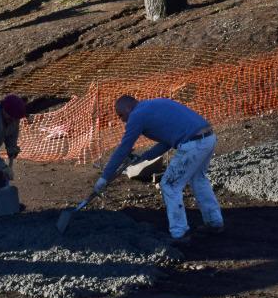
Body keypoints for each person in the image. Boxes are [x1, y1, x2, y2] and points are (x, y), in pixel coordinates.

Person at [93, 96, 223, 244]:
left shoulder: (137, 115)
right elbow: (167, 142)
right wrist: (144, 157)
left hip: (193, 144)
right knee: (198, 179)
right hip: (208, 137)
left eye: (121, 115)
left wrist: (104, 177)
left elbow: (123, 149)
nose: (122, 120)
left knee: (169, 184)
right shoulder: (153, 105)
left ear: (128, 107)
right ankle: (214, 223)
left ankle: (180, 233)